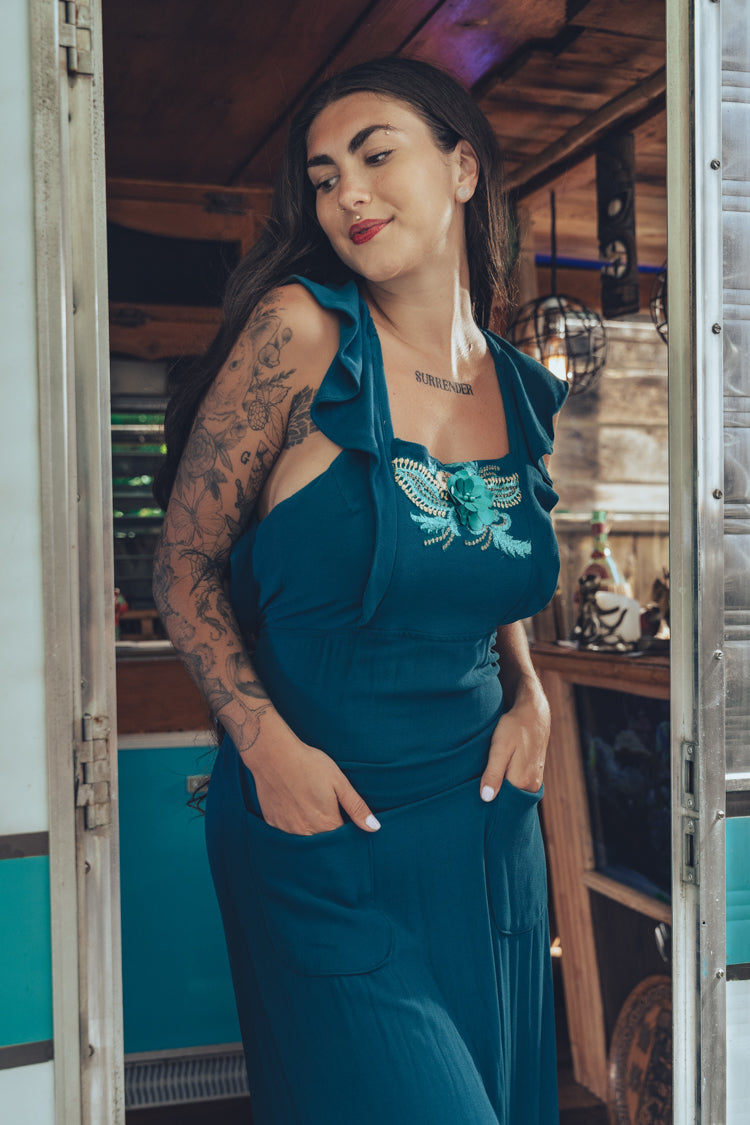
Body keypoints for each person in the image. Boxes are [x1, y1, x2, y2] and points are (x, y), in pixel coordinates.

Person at [153, 55, 567, 1125]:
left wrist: (530, 690)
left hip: (484, 829)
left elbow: (480, 563)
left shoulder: (513, 384)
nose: (348, 194)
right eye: (325, 176)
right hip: (320, 820)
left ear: (463, 167)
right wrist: (264, 748)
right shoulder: (302, 333)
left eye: (377, 155)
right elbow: (183, 564)